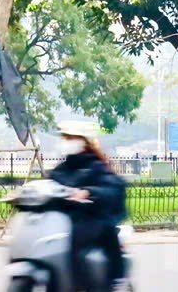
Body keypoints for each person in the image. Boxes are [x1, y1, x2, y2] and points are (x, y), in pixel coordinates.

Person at [51, 121, 127, 288]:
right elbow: (49, 186)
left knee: (76, 242)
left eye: (70, 138)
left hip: (94, 219)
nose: (66, 141)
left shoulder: (97, 166)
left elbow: (113, 188)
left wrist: (89, 191)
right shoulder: (62, 168)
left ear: (83, 141)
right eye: (64, 137)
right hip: (65, 221)